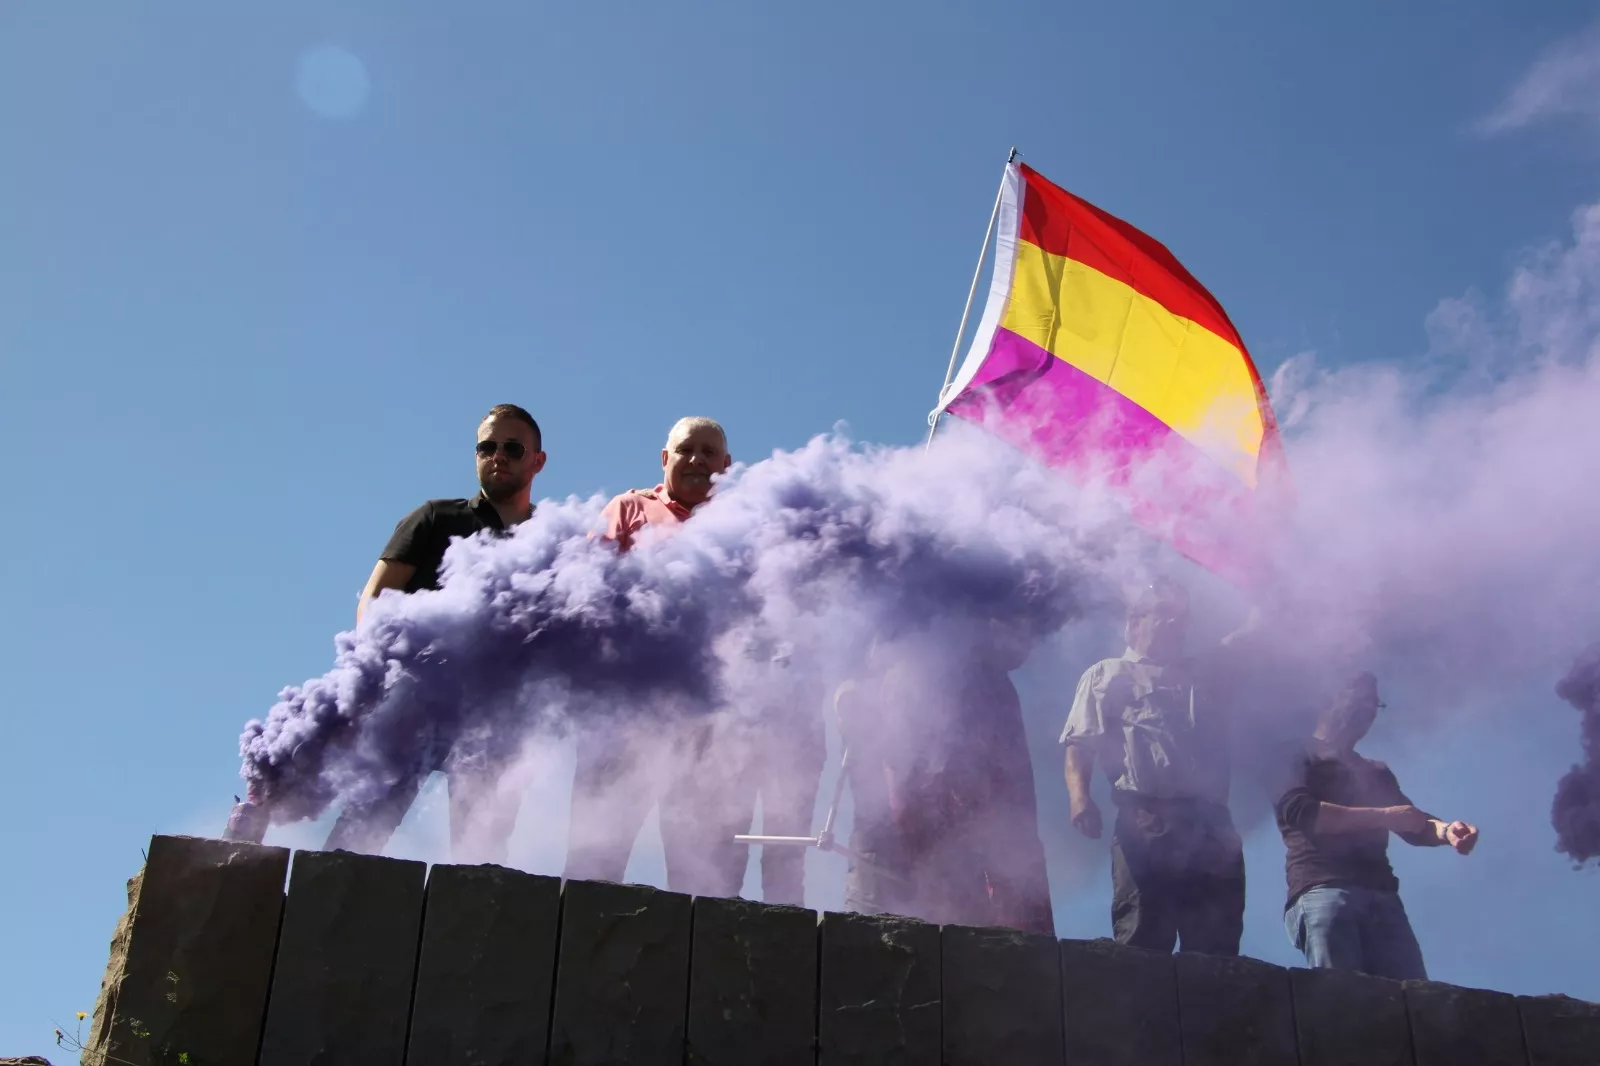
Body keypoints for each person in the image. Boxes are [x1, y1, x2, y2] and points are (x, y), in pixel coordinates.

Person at [320, 403, 548, 860]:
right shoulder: (435, 518)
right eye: (487, 447)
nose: (497, 456)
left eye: (512, 448)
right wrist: (377, 675)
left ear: (537, 461)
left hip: (497, 715)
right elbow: (374, 600)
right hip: (414, 695)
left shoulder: (551, 537)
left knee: (480, 852)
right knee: (361, 830)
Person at [564, 417, 769, 896]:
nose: (697, 460)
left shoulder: (752, 524)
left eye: (709, 452)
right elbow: (583, 594)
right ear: (664, 458)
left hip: (717, 729)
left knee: (709, 878)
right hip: (624, 718)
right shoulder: (627, 509)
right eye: (685, 450)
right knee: (595, 864)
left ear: (727, 465)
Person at [1060, 578, 1254, 955]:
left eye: (1181, 616)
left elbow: (1250, 639)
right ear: (1135, 623)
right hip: (1147, 819)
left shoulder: (1204, 674)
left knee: (1217, 942)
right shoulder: (1107, 674)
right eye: (1163, 613)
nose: (1175, 623)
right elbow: (1080, 743)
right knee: (1144, 936)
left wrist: (1263, 589)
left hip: (1211, 823)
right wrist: (1079, 798)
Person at [835, 619, 1054, 933]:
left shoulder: (989, 686)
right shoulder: (895, 679)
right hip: (897, 844)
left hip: (958, 842)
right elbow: (895, 763)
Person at [1275, 672, 1478, 979]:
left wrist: (1446, 830)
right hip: (1324, 891)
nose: (1368, 711)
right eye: (1360, 700)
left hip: (1383, 898)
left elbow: (1413, 822)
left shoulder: (1375, 771)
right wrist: (1385, 816)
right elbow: (1303, 812)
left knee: (1411, 1000)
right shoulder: (1292, 753)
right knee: (1342, 997)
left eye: (1374, 704)